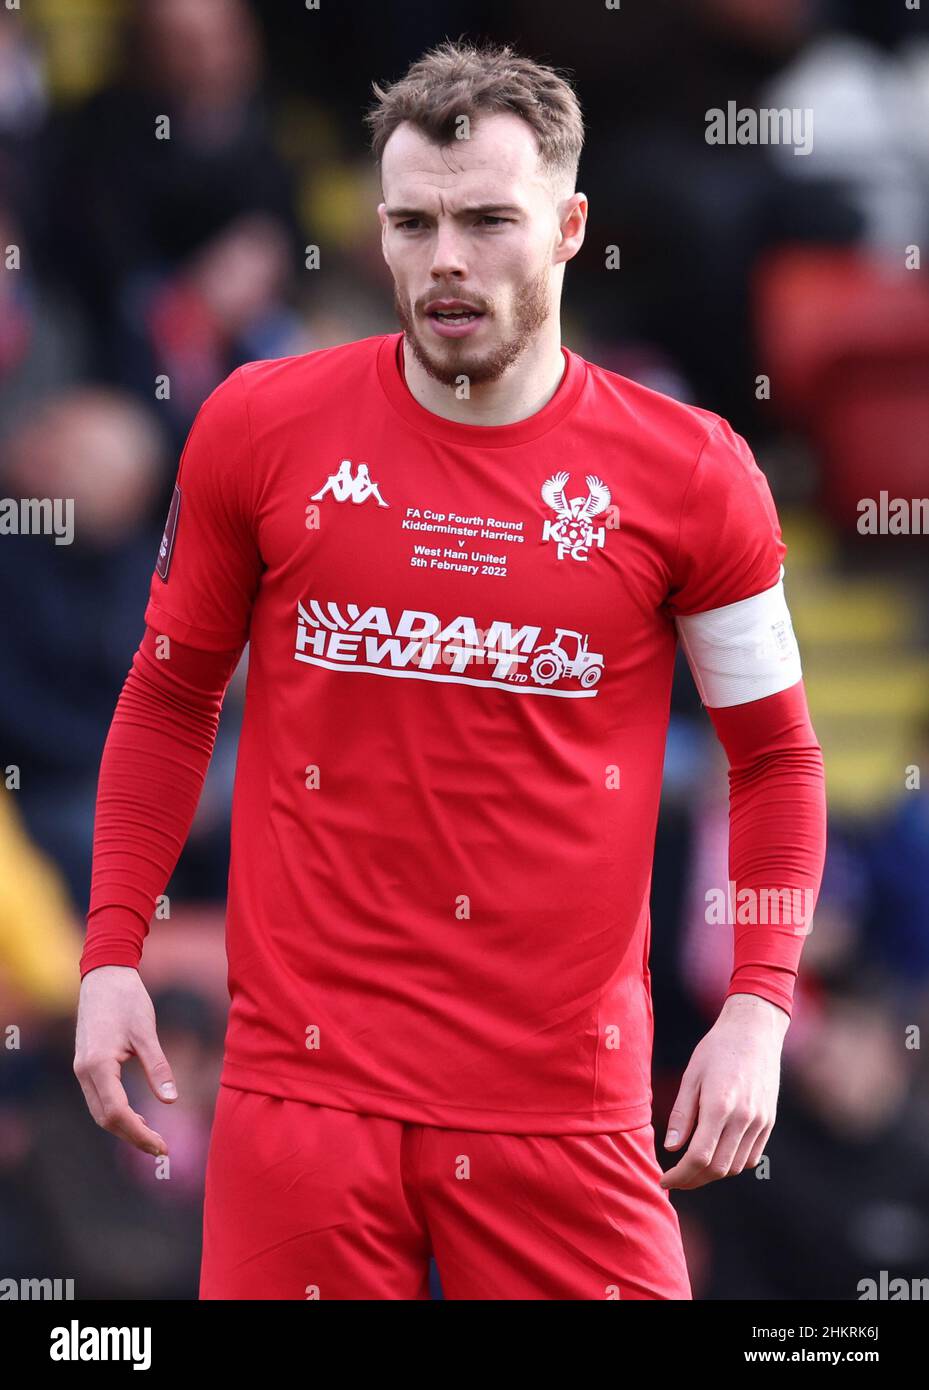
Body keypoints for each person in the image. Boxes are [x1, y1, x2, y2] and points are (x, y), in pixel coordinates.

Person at [74, 39, 827, 1300]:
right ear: (375, 228)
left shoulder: (692, 475)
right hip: (300, 1091)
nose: (446, 263)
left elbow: (775, 757)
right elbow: (167, 695)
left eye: (488, 220)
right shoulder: (258, 427)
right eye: (413, 224)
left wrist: (755, 1007)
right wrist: (108, 957)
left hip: (562, 1107)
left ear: (570, 225)